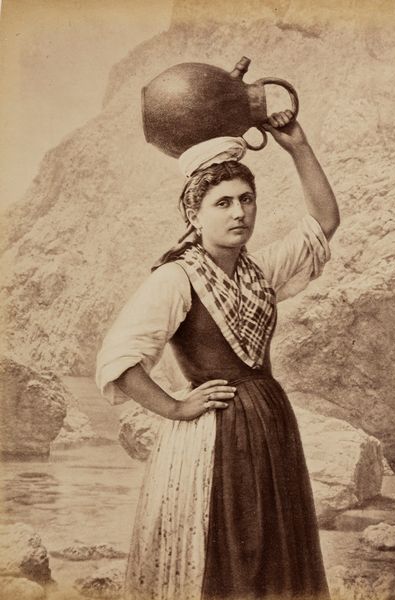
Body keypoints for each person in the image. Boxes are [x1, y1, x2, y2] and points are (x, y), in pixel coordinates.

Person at [96, 109, 340, 600]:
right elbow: (119, 361)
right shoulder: (175, 277)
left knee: (277, 562)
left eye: (247, 200)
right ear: (194, 214)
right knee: (220, 562)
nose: (238, 213)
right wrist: (176, 406)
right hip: (211, 437)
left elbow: (324, 222)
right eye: (222, 202)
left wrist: (299, 147)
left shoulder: (260, 270)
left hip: (271, 427)